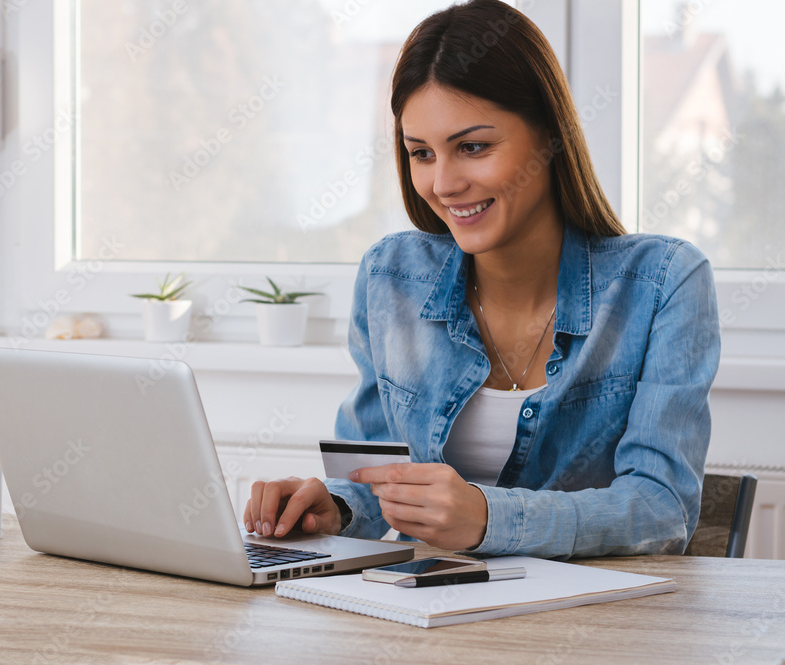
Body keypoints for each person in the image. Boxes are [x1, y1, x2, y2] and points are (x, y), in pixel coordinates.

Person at [242, 0, 720, 559]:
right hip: (430, 614)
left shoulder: (663, 283)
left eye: (472, 147)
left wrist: (488, 517)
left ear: (551, 135)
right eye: (421, 153)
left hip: (594, 627)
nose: (443, 184)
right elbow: (377, 477)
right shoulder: (391, 276)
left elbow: (662, 511)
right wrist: (337, 505)